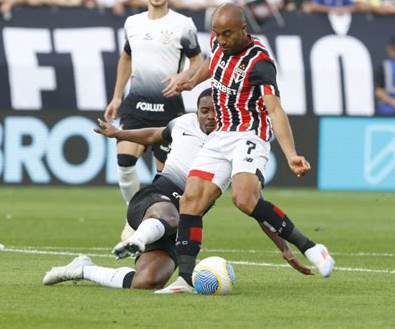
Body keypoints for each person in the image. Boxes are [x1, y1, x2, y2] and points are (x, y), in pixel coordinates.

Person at [42, 90, 312, 290]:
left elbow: (255, 203)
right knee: (172, 214)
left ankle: (84, 269)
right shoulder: (183, 124)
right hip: (153, 200)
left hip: (182, 227)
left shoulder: (236, 146)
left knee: (147, 281)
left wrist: (284, 248)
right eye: (204, 110)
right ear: (197, 112)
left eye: (215, 110)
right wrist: (120, 134)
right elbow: (152, 135)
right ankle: (138, 238)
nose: (209, 116)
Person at [156, 3, 335, 294]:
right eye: (217, 34)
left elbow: (275, 110)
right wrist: (190, 80)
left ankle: (312, 248)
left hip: (249, 134)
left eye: (227, 34)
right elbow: (212, 63)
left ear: (243, 29)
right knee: (190, 200)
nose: (222, 40)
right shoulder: (218, 43)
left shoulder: (260, 64)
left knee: (244, 198)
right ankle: (185, 279)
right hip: (220, 134)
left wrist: (291, 155)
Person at [103, 0, 203, 241]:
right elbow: (126, 57)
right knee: (124, 161)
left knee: (165, 178)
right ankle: (134, 215)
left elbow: (198, 61)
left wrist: (185, 78)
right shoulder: (132, 23)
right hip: (135, 105)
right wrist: (116, 97)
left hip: (169, 111)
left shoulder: (183, 25)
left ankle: (166, 226)